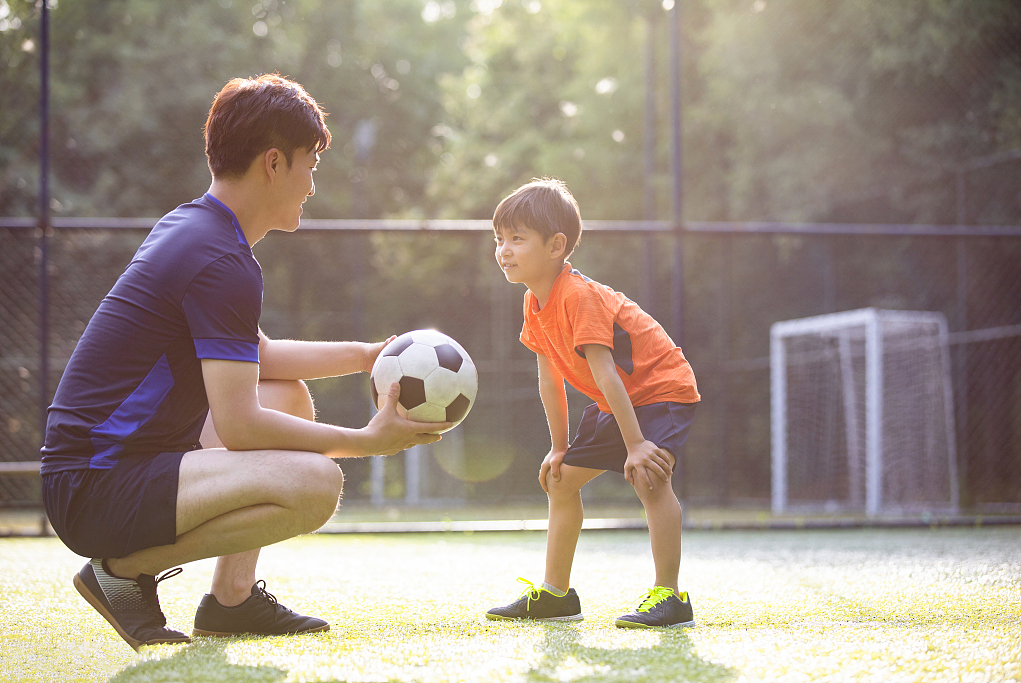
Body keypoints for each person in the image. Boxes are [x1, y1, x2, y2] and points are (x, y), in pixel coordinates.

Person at [40, 74, 448, 651]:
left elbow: (258, 358)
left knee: (286, 393)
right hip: (96, 484)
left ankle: (231, 600)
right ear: (274, 163)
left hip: (103, 467)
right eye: (310, 165)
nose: (312, 185)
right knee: (316, 483)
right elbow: (238, 426)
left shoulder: (196, 227)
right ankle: (121, 572)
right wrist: (366, 440)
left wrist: (367, 356)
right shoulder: (222, 260)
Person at [484, 178, 700, 628]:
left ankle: (671, 597)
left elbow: (605, 371)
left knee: (649, 478)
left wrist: (637, 444)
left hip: (662, 391)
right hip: (616, 401)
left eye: (517, 239)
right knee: (560, 481)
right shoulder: (532, 303)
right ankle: (557, 595)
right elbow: (550, 379)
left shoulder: (580, 296)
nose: (503, 249)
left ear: (556, 246)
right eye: (499, 239)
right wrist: (558, 447)